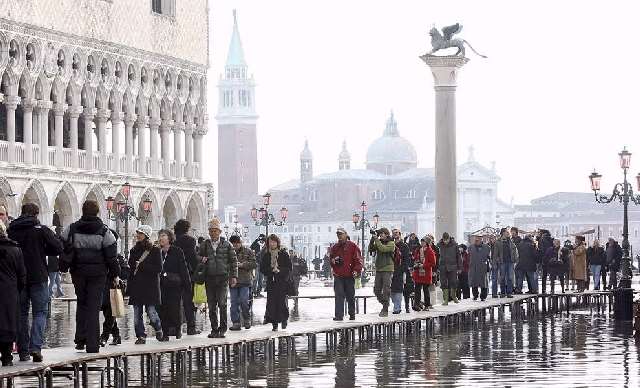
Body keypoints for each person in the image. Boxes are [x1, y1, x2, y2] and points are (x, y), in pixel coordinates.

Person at [61, 200, 119, 353]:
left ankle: (80, 340)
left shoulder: (72, 228)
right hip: (98, 274)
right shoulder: (104, 231)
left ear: (82, 211)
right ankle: (92, 345)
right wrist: (115, 274)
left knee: (82, 303)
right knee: (93, 306)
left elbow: (62, 244)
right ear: (97, 212)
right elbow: (111, 256)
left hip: (78, 272)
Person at [8, 203, 63, 362]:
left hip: (18, 277)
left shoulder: (12, 229)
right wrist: (43, 249)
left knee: (21, 314)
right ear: (36, 214)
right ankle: (36, 347)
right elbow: (58, 248)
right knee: (40, 312)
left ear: (22, 213)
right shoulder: (41, 229)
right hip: (38, 276)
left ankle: (23, 351)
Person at [199, 218, 238, 339]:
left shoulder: (227, 245)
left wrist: (234, 276)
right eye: (211, 231)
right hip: (209, 278)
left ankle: (223, 328)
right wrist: (201, 259)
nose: (213, 233)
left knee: (222, 303)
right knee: (211, 306)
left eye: (215, 231)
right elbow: (197, 255)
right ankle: (214, 329)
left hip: (223, 278)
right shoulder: (205, 244)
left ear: (219, 232)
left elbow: (233, 261)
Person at [127, 225, 166, 344]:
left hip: (150, 286)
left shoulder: (155, 250)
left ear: (146, 236)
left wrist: (142, 265)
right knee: (137, 314)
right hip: (137, 286)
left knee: (151, 312)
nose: (138, 235)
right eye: (138, 232)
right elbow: (132, 267)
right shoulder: (133, 250)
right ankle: (141, 336)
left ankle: (158, 328)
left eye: (141, 233)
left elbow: (158, 268)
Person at [157, 229, 191, 340]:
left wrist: (187, 286)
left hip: (175, 285)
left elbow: (183, 268)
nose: (161, 238)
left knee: (175, 308)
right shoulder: (158, 252)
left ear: (169, 238)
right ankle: (165, 333)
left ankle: (177, 329)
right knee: (162, 309)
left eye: (163, 236)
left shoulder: (177, 251)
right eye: (160, 236)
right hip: (161, 285)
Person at [0, 220, 26, 366]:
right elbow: (22, 275)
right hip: (9, 292)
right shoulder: (15, 250)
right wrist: (17, 290)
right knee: (8, 323)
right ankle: (7, 357)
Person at [173, 219, 200, 336]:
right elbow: (192, 258)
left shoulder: (173, 241)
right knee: (188, 302)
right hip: (187, 274)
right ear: (187, 228)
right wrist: (197, 269)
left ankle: (175, 328)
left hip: (175, 275)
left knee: (175, 302)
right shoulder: (190, 240)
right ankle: (191, 327)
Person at [259, 234, 292, 331]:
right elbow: (262, 269)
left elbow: (289, 268)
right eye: (270, 242)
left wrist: (279, 270)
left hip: (281, 282)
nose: (272, 244)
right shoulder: (266, 255)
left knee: (281, 302)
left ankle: (284, 319)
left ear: (277, 243)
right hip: (271, 281)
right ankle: (274, 323)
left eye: (274, 242)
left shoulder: (283, 254)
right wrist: (271, 270)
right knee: (271, 303)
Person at [330, 227, 362, 321]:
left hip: (349, 275)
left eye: (341, 234)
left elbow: (358, 260)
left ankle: (352, 314)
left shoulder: (353, 246)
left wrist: (356, 270)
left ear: (346, 235)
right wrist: (333, 261)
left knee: (350, 296)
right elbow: (331, 260)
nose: (339, 236)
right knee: (339, 295)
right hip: (338, 275)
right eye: (338, 235)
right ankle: (339, 316)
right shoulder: (335, 247)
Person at [229, 235, 256, 330]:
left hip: (245, 281)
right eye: (233, 243)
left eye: (237, 243)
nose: (235, 245)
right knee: (234, 302)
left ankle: (246, 319)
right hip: (233, 281)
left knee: (244, 301)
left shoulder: (248, 251)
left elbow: (254, 264)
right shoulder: (229, 252)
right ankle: (236, 322)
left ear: (240, 242)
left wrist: (242, 265)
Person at [368, 228, 396, 317]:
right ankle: (385, 303)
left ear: (387, 234)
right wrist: (372, 239)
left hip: (388, 268)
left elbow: (383, 249)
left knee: (386, 289)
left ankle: (385, 309)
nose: (380, 235)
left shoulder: (391, 243)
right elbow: (371, 249)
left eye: (382, 234)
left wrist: (376, 239)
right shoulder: (379, 241)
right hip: (379, 268)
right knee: (376, 290)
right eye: (380, 234)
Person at [492, 228, 519, 298]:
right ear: (503, 233)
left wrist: (515, 259)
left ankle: (509, 292)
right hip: (502, 262)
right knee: (502, 277)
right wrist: (495, 262)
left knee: (510, 277)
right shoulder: (498, 242)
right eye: (507, 232)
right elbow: (495, 253)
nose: (508, 233)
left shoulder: (510, 241)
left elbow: (514, 250)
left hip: (510, 262)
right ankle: (503, 292)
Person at [391, 229, 412, 314]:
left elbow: (407, 259)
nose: (395, 235)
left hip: (400, 270)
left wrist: (403, 269)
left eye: (396, 233)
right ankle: (396, 305)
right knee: (392, 290)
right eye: (393, 233)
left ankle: (397, 308)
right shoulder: (390, 245)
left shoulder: (404, 246)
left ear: (400, 234)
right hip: (391, 269)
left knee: (398, 289)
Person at [412, 236, 436, 310]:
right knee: (417, 290)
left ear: (427, 243)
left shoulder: (430, 251)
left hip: (426, 273)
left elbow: (433, 263)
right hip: (418, 272)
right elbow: (415, 258)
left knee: (426, 290)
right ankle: (417, 304)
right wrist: (416, 262)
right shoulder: (419, 249)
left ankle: (427, 305)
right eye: (421, 241)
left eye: (424, 241)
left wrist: (424, 265)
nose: (422, 243)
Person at [437, 232, 461, 306]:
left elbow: (459, 256)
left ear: (449, 239)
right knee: (443, 283)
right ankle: (446, 299)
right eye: (444, 240)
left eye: (446, 240)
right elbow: (437, 256)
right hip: (443, 267)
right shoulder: (439, 245)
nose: (445, 241)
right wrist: (437, 267)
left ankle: (453, 296)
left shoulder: (455, 245)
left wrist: (459, 267)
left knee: (453, 281)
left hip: (453, 266)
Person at [468, 235, 491, 301]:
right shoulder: (471, 247)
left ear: (481, 240)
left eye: (478, 240)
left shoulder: (487, 247)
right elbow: (468, 257)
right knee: (474, 282)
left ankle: (483, 296)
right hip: (473, 267)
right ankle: (475, 295)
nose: (476, 241)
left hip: (483, 267)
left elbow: (489, 257)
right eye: (475, 240)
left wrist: (489, 265)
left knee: (484, 283)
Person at [537, 229, 554, 294]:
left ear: (542, 233)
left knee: (544, 275)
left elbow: (541, 250)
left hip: (544, 259)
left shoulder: (542, 239)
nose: (538, 234)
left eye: (539, 232)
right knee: (552, 274)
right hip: (551, 259)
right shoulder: (551, 239)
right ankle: (552, 289)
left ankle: (543, 290)